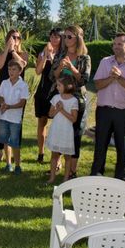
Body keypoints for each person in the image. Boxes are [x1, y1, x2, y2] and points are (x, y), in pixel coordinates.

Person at [90, 33, 125, 181]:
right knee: (100, 145)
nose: (115, 47)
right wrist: (111, 78)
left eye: (119, 44)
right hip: (104, 110)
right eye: (114, 44)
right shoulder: (105, 62)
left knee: (123, 146)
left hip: (124, 112)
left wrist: (119, 78)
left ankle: (121, 178)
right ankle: (96, 176)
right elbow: (98, 85)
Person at [49, 25, 91, 179]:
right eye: (64, 36)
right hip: (61, 99)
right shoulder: (60, 55)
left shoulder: (84, 58)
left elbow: (85, 80)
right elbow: (51, 77)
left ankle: (72, 171)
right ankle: (56, 165)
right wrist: (60, 68)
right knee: (60, 130)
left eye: (69, 37)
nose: (65, 39)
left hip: (77, 100)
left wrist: (73, 69)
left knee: (75, 134)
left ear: (78, 38)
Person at [0, 29, 29, 166]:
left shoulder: (23, 54)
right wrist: (7, 49)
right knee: (1, 121)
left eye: (17, 37)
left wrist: (13, 51)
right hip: (3, 90)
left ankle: (15, 151)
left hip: (18, 93)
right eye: (12, 37)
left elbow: (22, 64)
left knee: (16, 122)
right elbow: (0, 65)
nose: (15, 39)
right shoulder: (1, 54)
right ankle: (0, 150)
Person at [34, 28, 63, 164]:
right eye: (52, 36)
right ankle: (41, 153)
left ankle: (57, 158)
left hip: (57, 92)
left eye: (57, 36)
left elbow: (58, 74)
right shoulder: (43, 52)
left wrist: (52, 58)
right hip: (43, 91)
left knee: (59, 125)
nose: (54, 39)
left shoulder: (64, 54)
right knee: (42, 122)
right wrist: (45, 56)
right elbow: (38, 71)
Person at [0, 60, 29, 174]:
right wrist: (2, 104)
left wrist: (9, 106)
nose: (11, 72)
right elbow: (0, 97)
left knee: (15, 143)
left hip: (15, 119)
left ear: (20, 71)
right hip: (3, 117)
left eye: (14, 69)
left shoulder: (23, 85)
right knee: (5, 141)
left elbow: (22, 103)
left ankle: (18, 166)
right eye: (9, 69)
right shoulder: (4, 82)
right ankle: (8, 164)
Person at [46, 76, 79, 184]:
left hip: (66, 131)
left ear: (67, 86)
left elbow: (73, 119)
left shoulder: (74, 101)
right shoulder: (56, 98)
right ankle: (52, 178)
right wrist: (56, 109)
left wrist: (62, 110)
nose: (57, 87)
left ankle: (65, 179)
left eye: (59, 85)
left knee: (67, 157)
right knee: (54, 155)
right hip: (56, 129)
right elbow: (50, 114)